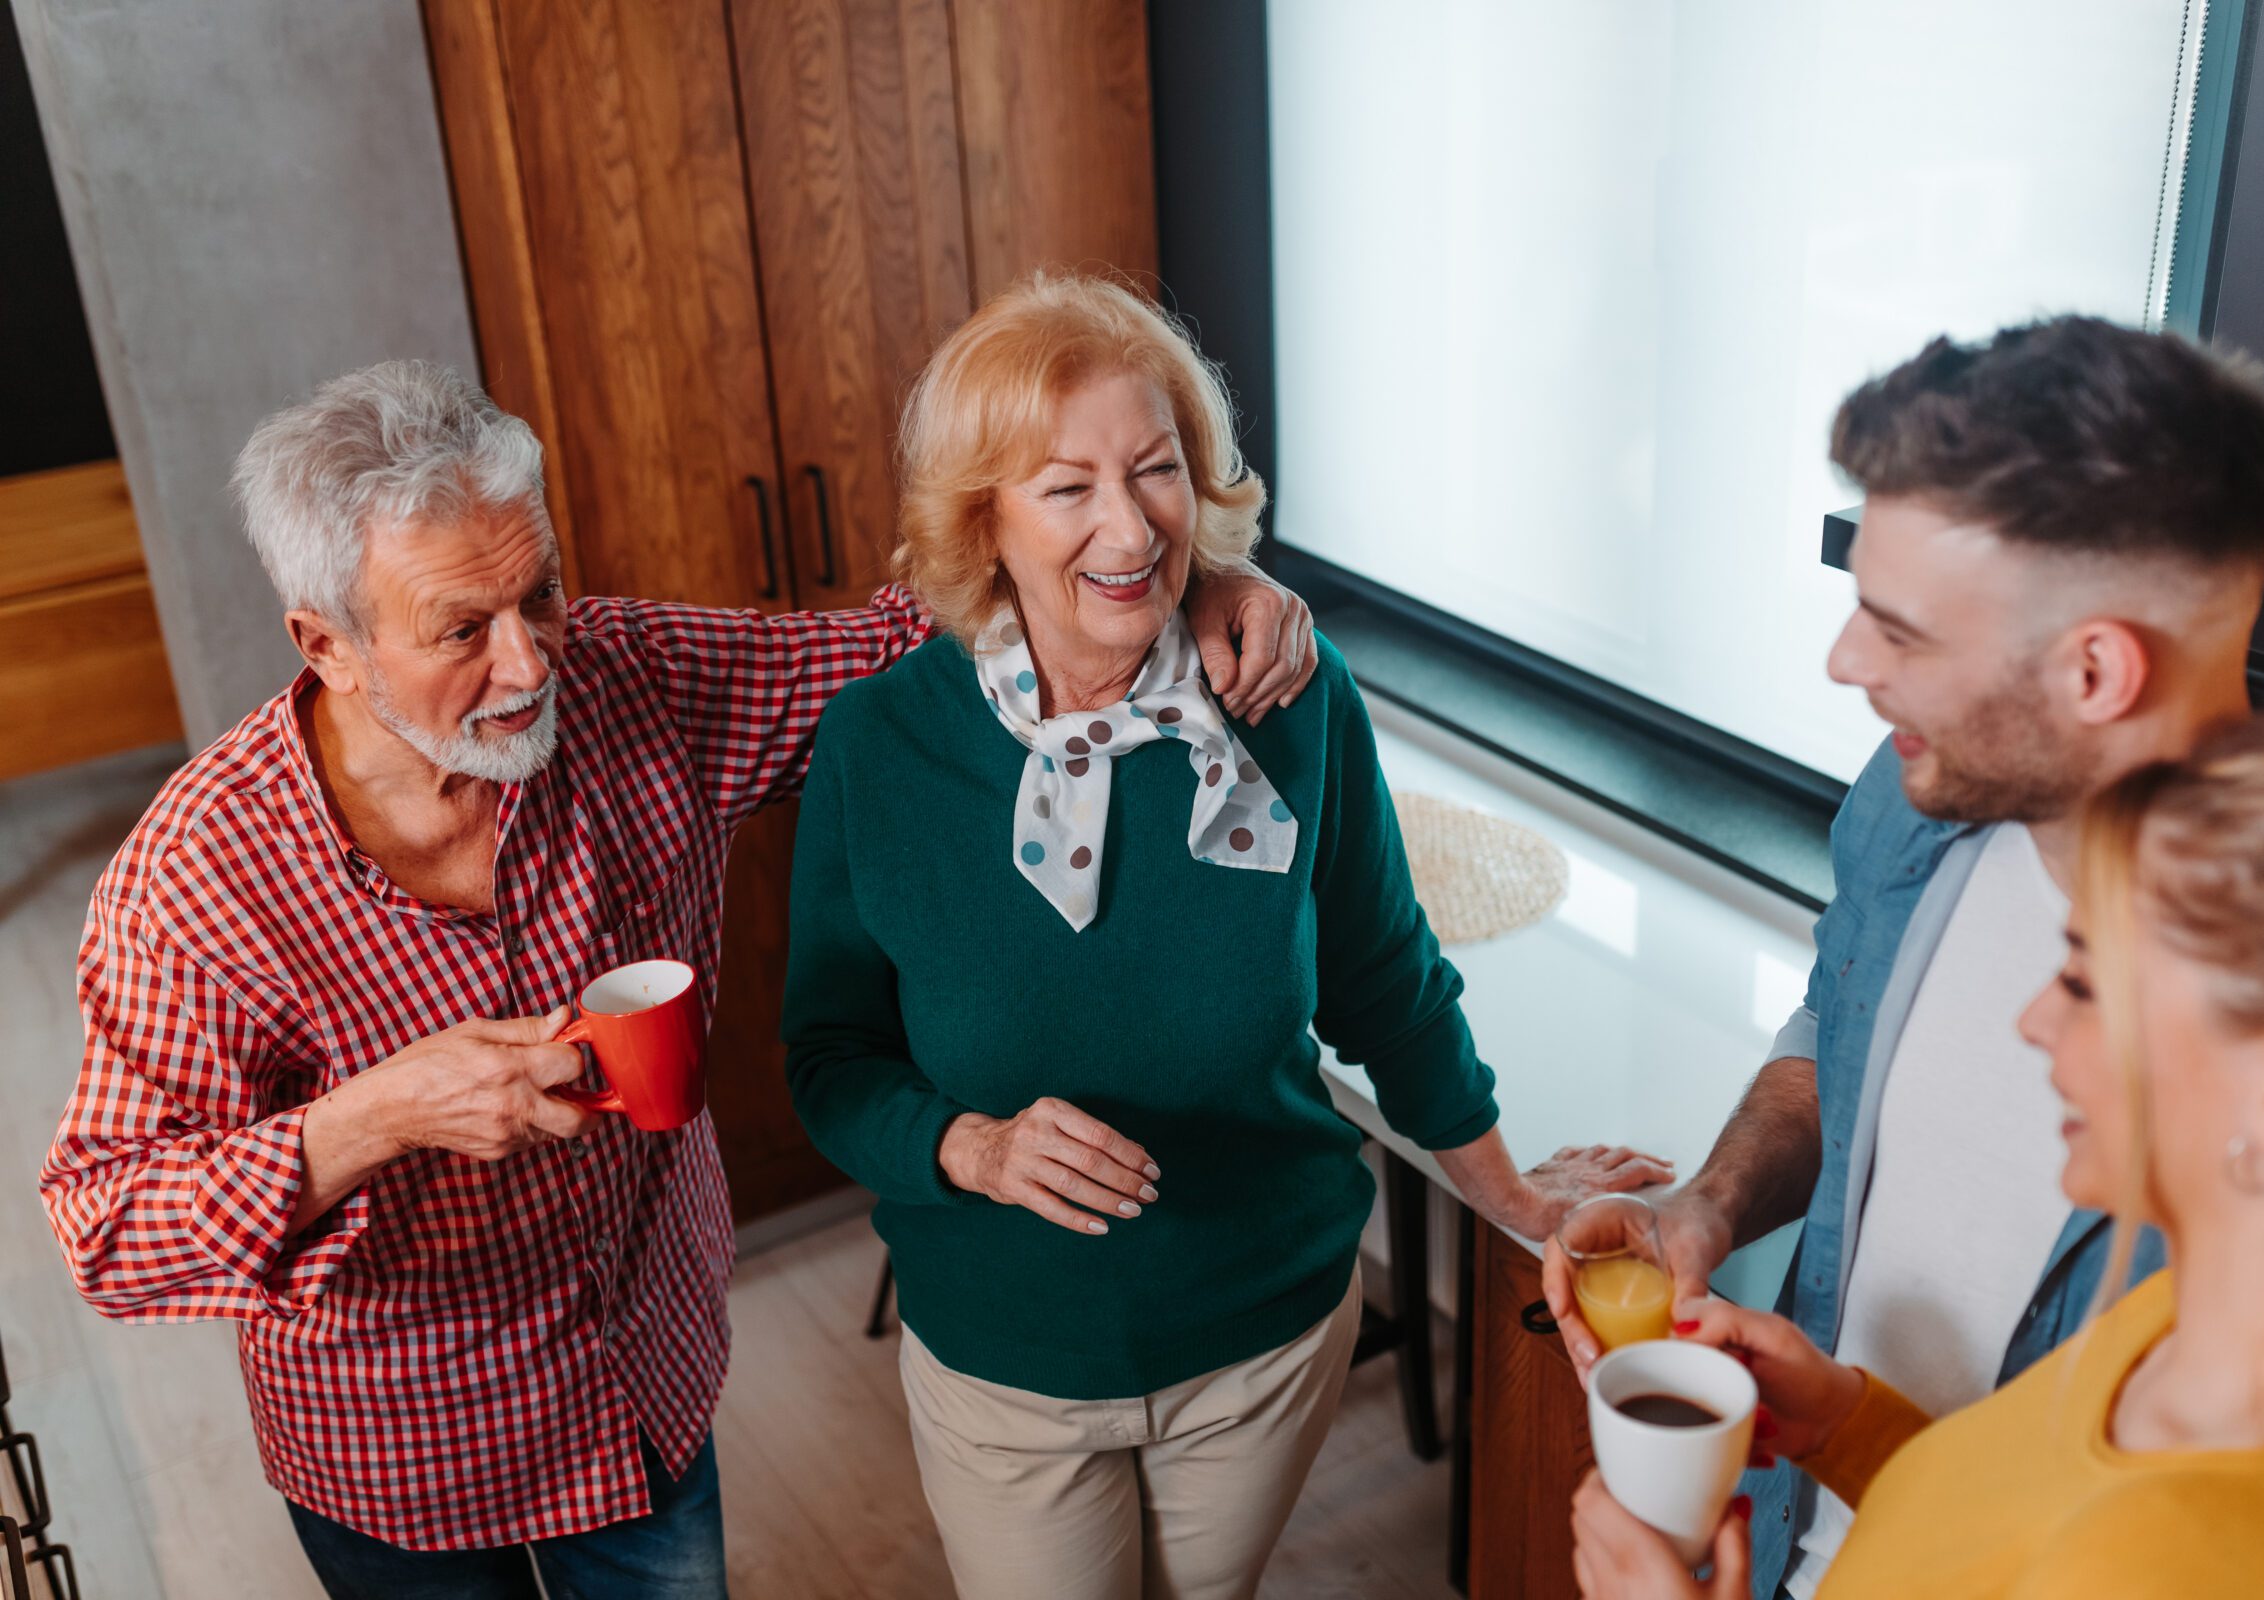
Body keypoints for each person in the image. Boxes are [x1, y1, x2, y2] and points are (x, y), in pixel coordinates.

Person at [37, 359, 1317, 1597]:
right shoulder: (197, 878)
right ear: (327, 644)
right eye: (462, 631)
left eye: (538, 594)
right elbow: (102, 1226)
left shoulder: (631, 679)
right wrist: (377, 1115)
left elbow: (910, 628)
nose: (533, 664)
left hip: (643, 1392)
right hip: (401, 1459)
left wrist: (1186, 572)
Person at [781, 271, 1672, 1600]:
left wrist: (1517, 1198)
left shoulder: (1291, 702)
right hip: (1009, 1363)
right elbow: (831, 1056)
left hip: (1263, 1335)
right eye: (1065, 487)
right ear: (987, 522)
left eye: (1155, 470)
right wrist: (968, 1145)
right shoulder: (880, 750)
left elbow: (1387, 981)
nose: (1130, 525)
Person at [1541, 315, 2264, 1596]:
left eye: (1902, 631)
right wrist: (1707, 1205)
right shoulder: (1916, 796)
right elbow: (1830, 1043)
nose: (1845, 663)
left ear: (2097, 669)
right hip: (1809, 1538)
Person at [1569, 706, 2264, 1598]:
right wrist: (1847, 1423)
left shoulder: (2197, 1559)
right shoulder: (2174, 1322)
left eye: (2085, 979)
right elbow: (2010, 1532)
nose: (2034, 1019)